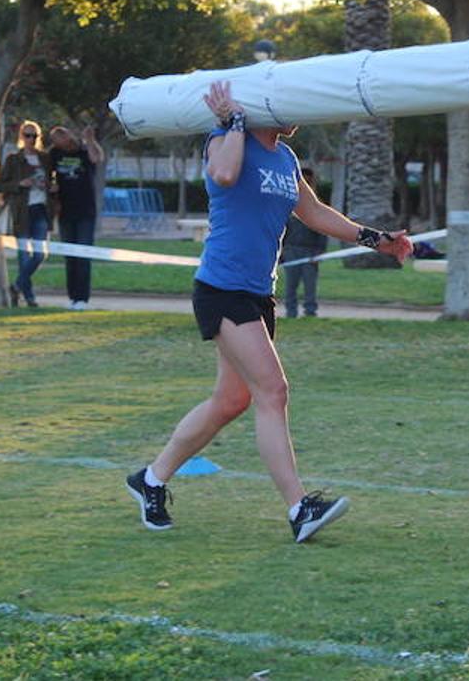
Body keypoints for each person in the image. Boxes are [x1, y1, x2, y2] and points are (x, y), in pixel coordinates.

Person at [127, 80, 412, 542]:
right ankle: (300, 509)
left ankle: (151, 480)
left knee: (231, 401)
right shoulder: (224, 139)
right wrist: (234, 121)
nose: (297, 113)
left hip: (259, 293)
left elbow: (314, 212)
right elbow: (222, 176)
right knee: (272, 391)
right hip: (223, 289)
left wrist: (375, 239)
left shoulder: (286, 157)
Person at [0, 120, 54, 308]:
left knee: (39, 254)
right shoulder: (14, 159)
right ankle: (28, 297)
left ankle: (16, 286)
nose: (31, 139)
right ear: (22, 137)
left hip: (41, 209)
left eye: (34, 136)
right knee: (24, 256)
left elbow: (52, 181)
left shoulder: (45, 158)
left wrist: (50, 186)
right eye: (27, 135)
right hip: (21, 211)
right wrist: (20, 184)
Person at [48, 125, 104, 311]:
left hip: (86, 211)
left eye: (62, 138)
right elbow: (49, 174)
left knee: (83, 255)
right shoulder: (55, 153)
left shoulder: (83, 150)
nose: (60, 143)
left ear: (69, 136)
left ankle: (82, 298)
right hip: (65, 211)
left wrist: (90, 139)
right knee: (69, 256)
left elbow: (97, 158)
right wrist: (52, 188)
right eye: (56, 140)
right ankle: (72, 297)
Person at [279, 168, 328, 318]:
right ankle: (291, 312)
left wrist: (319, 252)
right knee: (290, 285)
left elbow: (322, 230)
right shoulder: (288, 204)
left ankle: (310, 312)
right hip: (291, 250)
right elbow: (282, 230)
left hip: (310, 251)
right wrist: (282, 252)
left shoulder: (316, 205)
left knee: (309, 285)